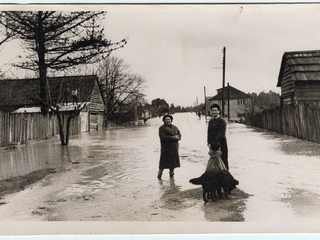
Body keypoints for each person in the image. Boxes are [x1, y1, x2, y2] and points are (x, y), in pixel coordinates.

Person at [158, 114, 181, 179]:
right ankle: (159, 175)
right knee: (163, 163)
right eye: (166, 119)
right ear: (164, 121)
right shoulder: (161, 128)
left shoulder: (175, 127)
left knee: (173, 163)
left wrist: (178, 137)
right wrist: (173, 137)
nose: (168, 121)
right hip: (166, 148)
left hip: (174, 147)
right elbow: (162, 137)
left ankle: (171, 176)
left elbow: (179, 134)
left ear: (171, 120)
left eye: (169, 119)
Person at [207, 103, 229, 170]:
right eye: (213, 110)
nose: (214, 112)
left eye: (216, 110)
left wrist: (216, 143)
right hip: (213, 144)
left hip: (221, 144)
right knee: (213, 161)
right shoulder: (211, 121)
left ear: (219, 111)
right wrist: (209, 143)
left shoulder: (222, 121)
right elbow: (209, 133)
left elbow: (222, 134)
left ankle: (225, 176)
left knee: (223, 160)